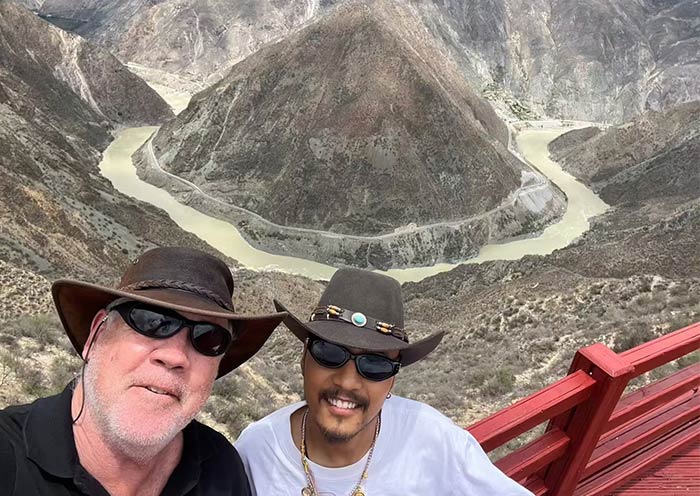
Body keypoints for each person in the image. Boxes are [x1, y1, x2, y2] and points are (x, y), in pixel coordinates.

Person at [0, 246, 286, 496]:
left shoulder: (221, 471)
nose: (175, 356)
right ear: (95, 336)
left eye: (208, 338)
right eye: (151, 321)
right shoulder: (9, 458)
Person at [235, 268, 533, 495]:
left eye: (375, 365)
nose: (348, 381)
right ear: (303, 360)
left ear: (392, 381)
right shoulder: (257, 449)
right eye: (329, 353)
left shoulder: (435, 442)